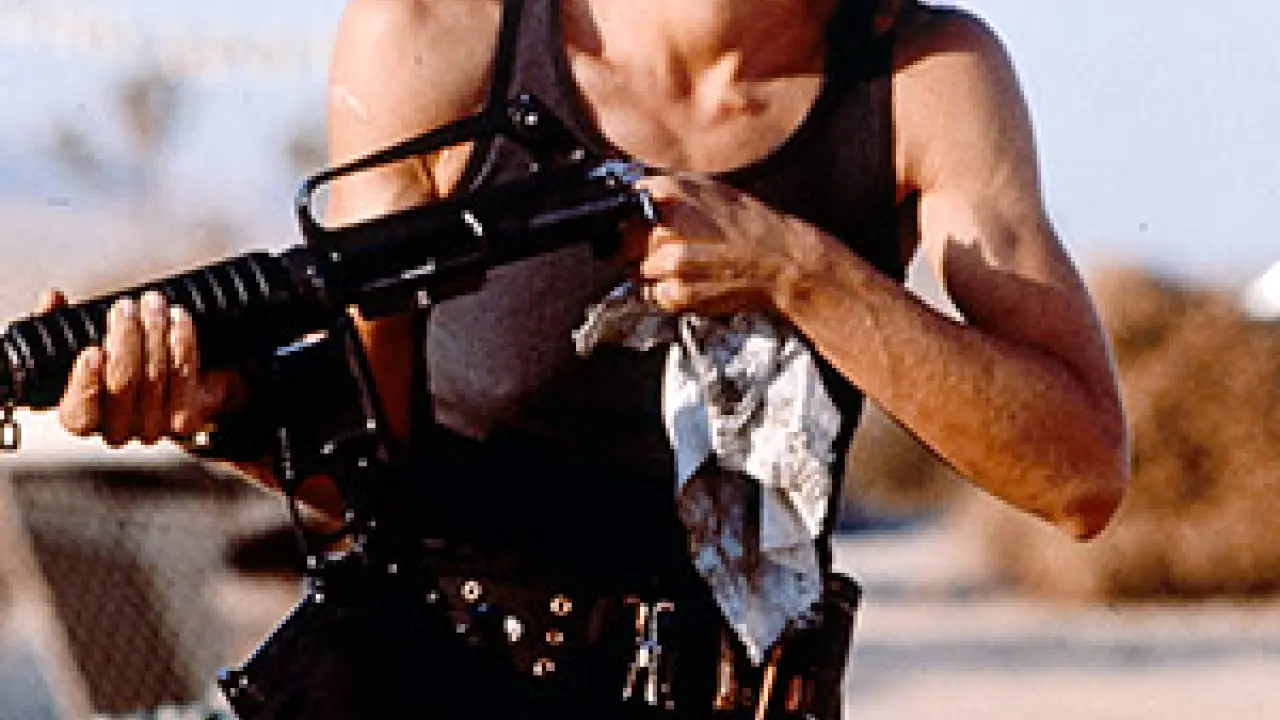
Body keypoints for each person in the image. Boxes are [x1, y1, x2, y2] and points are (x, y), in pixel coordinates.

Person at [42, 0, 1130, 716]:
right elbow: (373, 471)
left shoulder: (927, 77)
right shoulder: (439, 36)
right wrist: (219, 407)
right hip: (429, 683)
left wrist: (803, 275)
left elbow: (1077, 473)